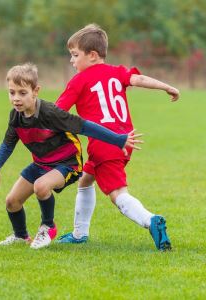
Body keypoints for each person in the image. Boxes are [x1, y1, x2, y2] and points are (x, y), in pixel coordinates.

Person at [0, 63, 143, 249]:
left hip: (67, 163)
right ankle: (21, 236)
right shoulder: (16, 117)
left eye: (22, 93)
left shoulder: (50, 113)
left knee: (41, 186)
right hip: (41, 164)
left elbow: (85, 126)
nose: (16, 99)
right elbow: (7, 145)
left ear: (35, 91)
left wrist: (118, 139)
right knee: (12, 202)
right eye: (12, 93)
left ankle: (48, 226)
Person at [55, 24, 179, 251]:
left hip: (104, 143)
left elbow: (57, 111)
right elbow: (139, 80)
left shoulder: (79, 81)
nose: (72, 61)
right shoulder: (117, 71)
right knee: (85, 179)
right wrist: (167, 87)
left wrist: (37, 123)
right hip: (125, 140)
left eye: (74, 55)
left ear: (92, 56)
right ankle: (79, 233)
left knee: (118, 195)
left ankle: (150, 220)